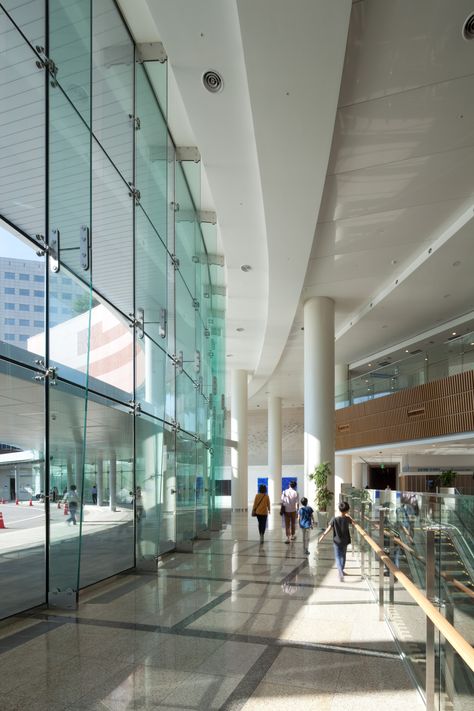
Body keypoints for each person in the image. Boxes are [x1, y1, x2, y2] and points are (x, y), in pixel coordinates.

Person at [318, 501, 353, 582]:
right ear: (347, 510)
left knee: (337, 557)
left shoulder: (334, 519)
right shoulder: (347, 519)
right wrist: (348, 515)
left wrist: (322, 536)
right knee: (343, 556)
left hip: (336, 541)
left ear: (339, 509)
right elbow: (353, 522)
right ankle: (342, 570)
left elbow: (329, 529)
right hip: (345, 541)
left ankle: (340, 571)